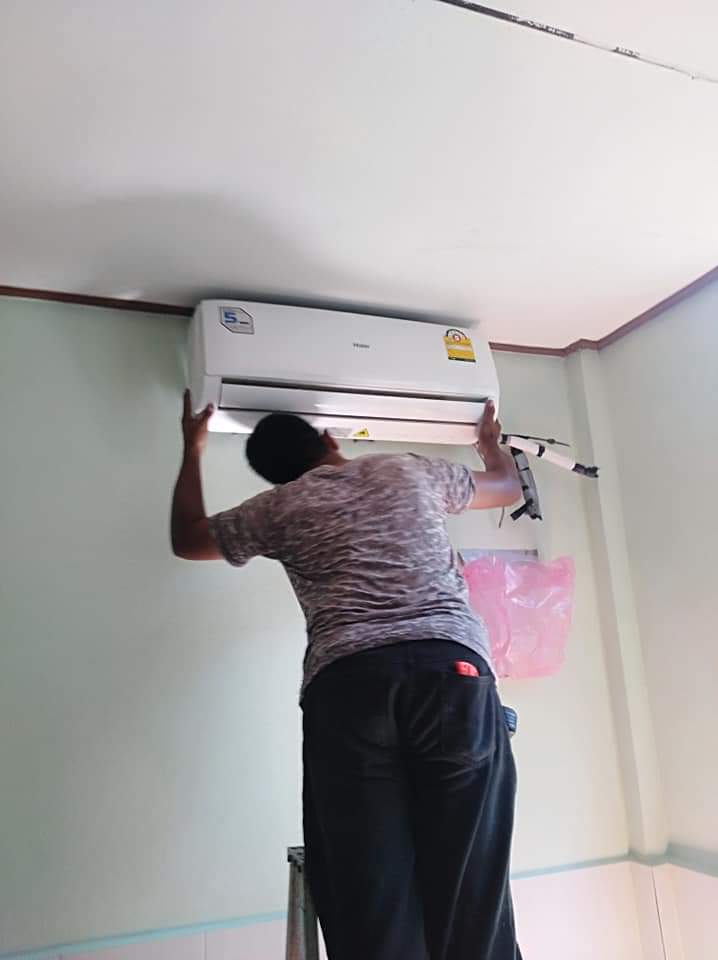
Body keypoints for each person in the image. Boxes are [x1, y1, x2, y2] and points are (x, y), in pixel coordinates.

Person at [171, 391, 524, 960]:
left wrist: (192, 449)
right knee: (471, 889)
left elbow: (187, 538)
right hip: (450, 674)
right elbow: (506, 487)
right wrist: (489, 445)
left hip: (348, 688)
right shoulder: (406, 471)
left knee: (371, 893)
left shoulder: (277, 508)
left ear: (278, 475)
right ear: (329, 440)